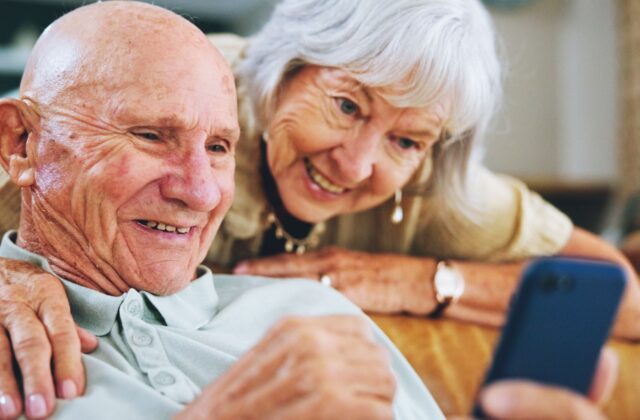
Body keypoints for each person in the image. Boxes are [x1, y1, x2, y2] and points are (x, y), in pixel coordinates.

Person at [0, 2, 621, 420]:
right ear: (279, 78)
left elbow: (617, 286)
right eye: (346, 106)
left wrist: (419, 281)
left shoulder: (332, 301)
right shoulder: (165, 73)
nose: (355, 165)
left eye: (406, 141)